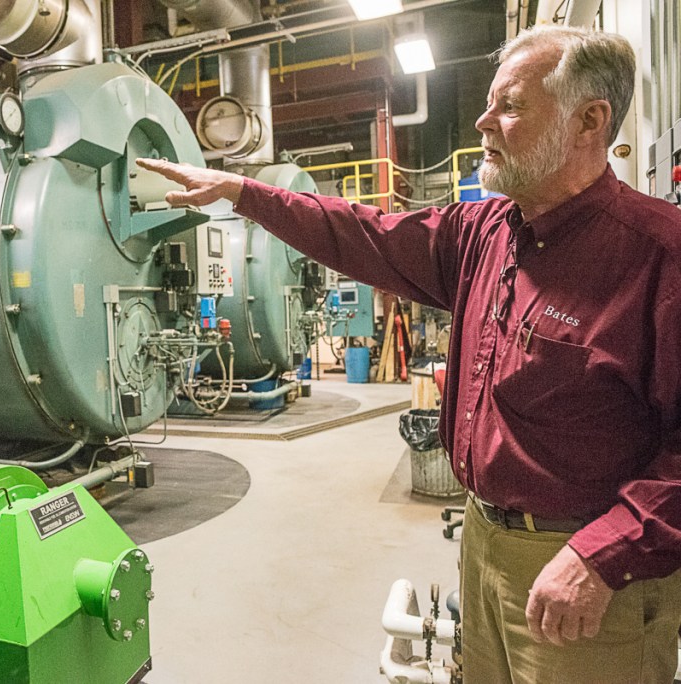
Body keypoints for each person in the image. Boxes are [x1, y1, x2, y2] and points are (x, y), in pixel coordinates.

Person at [139, 24, 681, 684]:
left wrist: (608, 552)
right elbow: (360, 232)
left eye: (510, 105)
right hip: (483, 544)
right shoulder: (482, 233)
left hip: (588, 572)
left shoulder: (659, 257)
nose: (484, 120)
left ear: (588, 121)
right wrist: (241, 193)